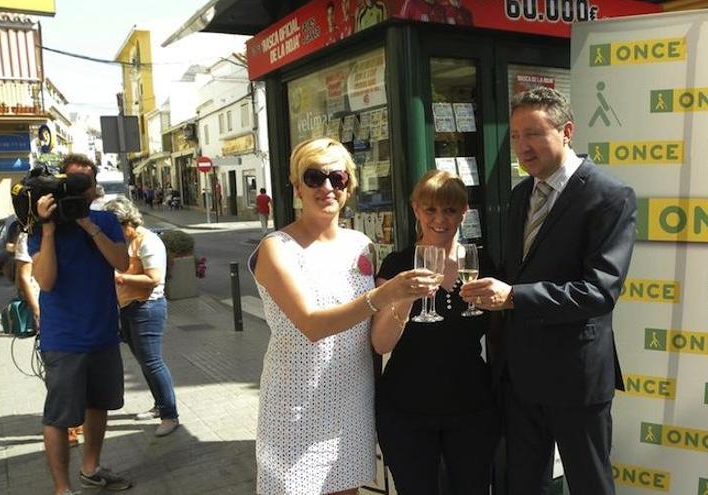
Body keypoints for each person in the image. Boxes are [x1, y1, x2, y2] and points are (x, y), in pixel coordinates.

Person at [460, 87, 637, 495]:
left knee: (590, 484)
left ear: (567, 131)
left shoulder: (609, 196)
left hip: (574, 375)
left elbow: (599, 291)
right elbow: (513, 271)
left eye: (534, 134)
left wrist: (515, 297)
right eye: (516, 135)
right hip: (519, 375)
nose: (522, 146)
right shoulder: (521, 194)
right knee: (524, 483)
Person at [249, 137, 436, 495]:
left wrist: (401, 303)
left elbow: (371, 333)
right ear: (296, 187)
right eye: (314, 177)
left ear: (349, 186)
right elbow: (312, 324)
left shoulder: (361, 245)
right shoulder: (277, 248)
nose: (327, 188)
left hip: (352, 399)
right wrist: (383, 294)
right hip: (295, 405)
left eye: (338, 178)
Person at [371, 170, 499, 494]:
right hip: (406, 410)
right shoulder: (398, 265)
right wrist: (406, 297)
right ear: (416, 209)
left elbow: (501, 330)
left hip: (471, 408)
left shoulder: (480, 264)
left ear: (463, 213)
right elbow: (380, 341)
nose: (439, 219)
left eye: (449, 210)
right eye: (430, 209)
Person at [30, 153, 132, 494]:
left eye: (83, 184)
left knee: (99, 405)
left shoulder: (105, 220)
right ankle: (62, 488)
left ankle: (90, 469)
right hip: (64, 339)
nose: (78, 190)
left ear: (93, 187)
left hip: (103, 333)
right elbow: (45, 281)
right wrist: (47, 230)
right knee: (59, 417)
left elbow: (121, 262)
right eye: (70, 183)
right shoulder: (41, 226)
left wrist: (88, 224)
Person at [104, 196, 179, 438]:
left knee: (153, 362)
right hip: (128, 307)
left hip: (148, 307)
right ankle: (160, 405)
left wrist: (120, 277)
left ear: (126, 222)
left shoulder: (148, 242)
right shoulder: (127, 241)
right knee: (144, 362)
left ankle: (170, 415)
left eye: (115, 228)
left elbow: (155, 278)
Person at [16, 231, 85, 446]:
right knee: (59, 372)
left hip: (74, 309)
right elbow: (24, 277)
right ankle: (67, 427)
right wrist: (37, 311)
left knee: (79, 367)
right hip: (49, 312)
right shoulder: (27, 237)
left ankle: (76, 420)